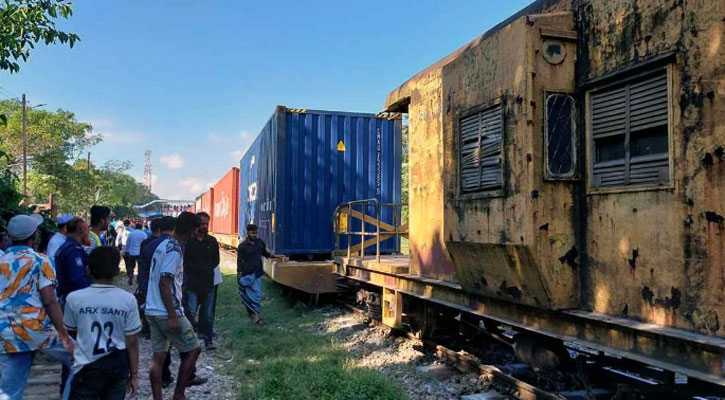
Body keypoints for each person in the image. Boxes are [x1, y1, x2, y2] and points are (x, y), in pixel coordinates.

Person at [0, 214, 74, 400]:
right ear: (35, 236)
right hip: (38, 330)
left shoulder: (2, 260)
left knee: (10, 391)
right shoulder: (41, 261)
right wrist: (64, 336)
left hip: (7, 333)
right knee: (81, 361)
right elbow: (49, 301)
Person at [63, 246, 141, 399]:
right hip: (117, 364)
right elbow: (132, 341)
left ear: (88, 269)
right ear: (117, 272)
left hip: (86, 364)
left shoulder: (74, 298)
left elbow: (71, 332)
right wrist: (134, 374)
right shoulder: (127, 299)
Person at [145, 212, 202, 400]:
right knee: (193, 349)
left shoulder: (164, 244)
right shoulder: (174, 250)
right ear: (192, 231)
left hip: (152, 309)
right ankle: (179, 394)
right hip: (166, 311)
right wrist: (172, 315)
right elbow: (164, 282)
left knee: (158, 356)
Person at [183, 212, 219, 350]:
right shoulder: (188, 241)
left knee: (208, 314)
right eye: (202, 223)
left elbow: (216, 260)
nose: (204, 226)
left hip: (208, 283)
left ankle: (208, 341)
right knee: (190, 312)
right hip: (192, 284)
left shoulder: (212, 241)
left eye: (206, 224)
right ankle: (190, 341)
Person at [237, 224, 282, 325]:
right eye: (252, 233)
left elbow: (265, 253)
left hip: (257, 274)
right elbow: (239, 261)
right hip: (246, 274)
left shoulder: (260, 243)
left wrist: (275, 256)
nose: (254, 235)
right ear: (248, 232)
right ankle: (252, 315)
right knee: (248, 296)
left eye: (256, 233)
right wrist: (239, 274)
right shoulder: (242, 247)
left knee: (256, 296)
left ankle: (256, 318)